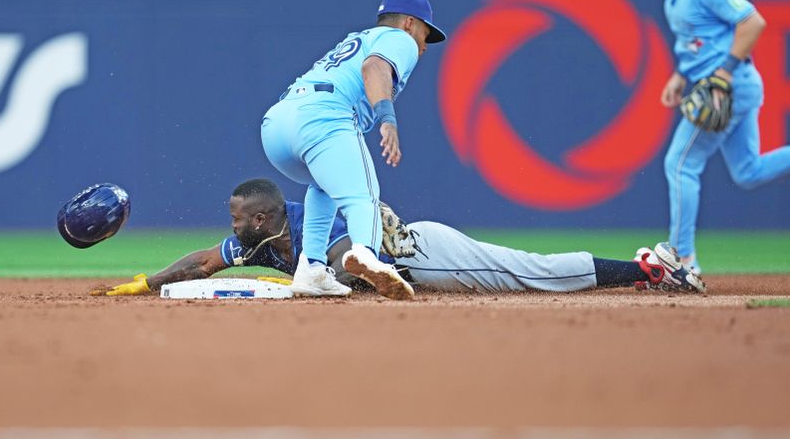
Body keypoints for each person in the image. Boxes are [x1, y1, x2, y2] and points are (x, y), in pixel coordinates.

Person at [90, 178, 705, 297]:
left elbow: (345, 263)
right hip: (412, 273)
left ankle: (645, 268)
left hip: (425, 252)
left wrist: (314, 284)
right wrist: (149, 281)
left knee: (531, 272)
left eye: (235, 219)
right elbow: (204, 261)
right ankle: (645, 269)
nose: (229, 229)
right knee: (531, 274)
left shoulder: (310, 222)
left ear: (263, 217)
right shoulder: (257, 240)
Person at [260, 0, 446, 301]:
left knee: (324, 186)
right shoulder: (399, 39)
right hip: (322, 118)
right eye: (426, 34)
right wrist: (387, 118)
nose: (425, 46)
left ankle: (312, 268)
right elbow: (374, 68)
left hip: (277, 124)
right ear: (410, 24)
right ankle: (365, 253)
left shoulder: (360, 37)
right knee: (364, 195)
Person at [637, 0, 790, 272]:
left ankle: (682, 259)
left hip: (728, 86)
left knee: (679, 164)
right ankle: (684, 257)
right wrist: (680, 74)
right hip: (732, 84)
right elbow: (697, 41)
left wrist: (722, 73)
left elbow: (753, 22)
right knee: (748, 171)